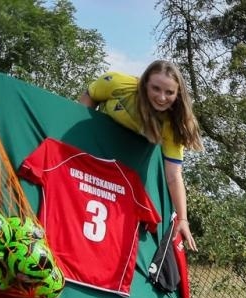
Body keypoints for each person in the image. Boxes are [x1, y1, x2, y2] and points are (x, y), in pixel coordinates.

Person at [77, 60, 202, 252]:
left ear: (178, 94)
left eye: (169, 92)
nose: (162, 97)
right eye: (156, 88)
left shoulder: (171, 125)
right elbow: (90, 96)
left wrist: (183, 219)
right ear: (145, 84)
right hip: (98, 151)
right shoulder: (116, 83)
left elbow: (173, 176)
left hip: (127, 167)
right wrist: (83, 138)